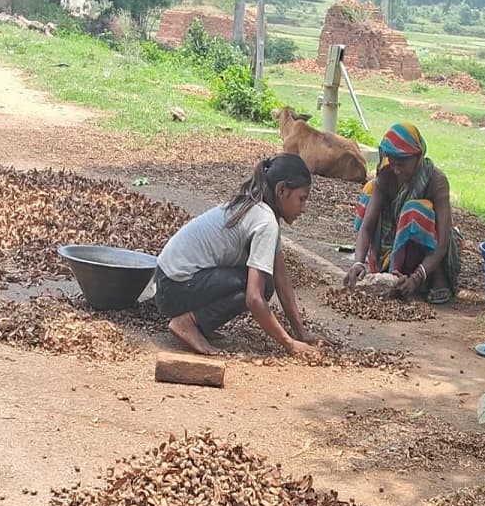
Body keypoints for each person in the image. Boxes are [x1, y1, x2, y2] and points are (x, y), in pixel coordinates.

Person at [155, 153, 324, 357]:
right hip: (174, 288)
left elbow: (281, 276)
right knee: (258, 287)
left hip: (167, 282)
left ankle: (198, 322)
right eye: (301, 198)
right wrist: (289, 344)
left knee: (266, 283)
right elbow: (254, 298)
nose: (303, 208)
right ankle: (188, 322)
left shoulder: (257, 207)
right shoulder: (265, 222)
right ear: (281, 190)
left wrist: (300, 332)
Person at [344, 123, 461, 304]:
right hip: (392, 246)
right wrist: (358, 262)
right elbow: (367, 227)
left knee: (414, 211)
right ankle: (390, 271)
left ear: (418, 157)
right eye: (393, 162)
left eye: (402, 164)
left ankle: (437, 280)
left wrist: (417, 277)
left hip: (426, 255)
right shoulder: (387, 175)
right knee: (369, 190)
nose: (396, 169)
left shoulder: (436, 182)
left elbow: (443, 242)